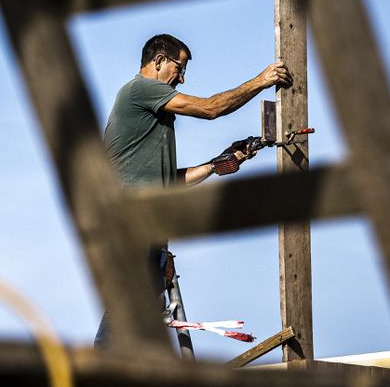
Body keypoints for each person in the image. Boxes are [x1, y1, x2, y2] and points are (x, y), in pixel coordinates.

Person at [95, 33, 292, 347]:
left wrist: (217, 164)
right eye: (179, 67)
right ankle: (98, 386)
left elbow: (169, 182)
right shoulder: (139, 90)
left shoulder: (152, 116)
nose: (182, 78)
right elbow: (211, 108)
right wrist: (262, 81)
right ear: (158, 60)